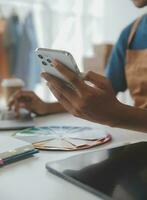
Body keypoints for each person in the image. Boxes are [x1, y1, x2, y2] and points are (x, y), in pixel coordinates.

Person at [9, 0, 147, 132]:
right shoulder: (130, 35)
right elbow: (97, 102)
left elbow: (109, 110)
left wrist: (116, 115)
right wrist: (46, 107)